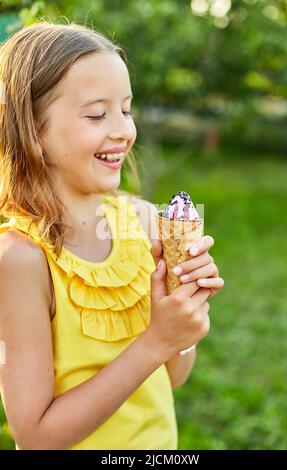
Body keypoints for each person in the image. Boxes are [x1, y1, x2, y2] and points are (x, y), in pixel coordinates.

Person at [0, 21, 224, 450]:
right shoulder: (22, 259)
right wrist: (154, 342)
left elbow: (173, 377)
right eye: (97, 114)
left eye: (127, 108)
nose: (124, 129)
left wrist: (182, 322)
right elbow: (36, 437)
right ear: (31, 130)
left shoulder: (141, 221)